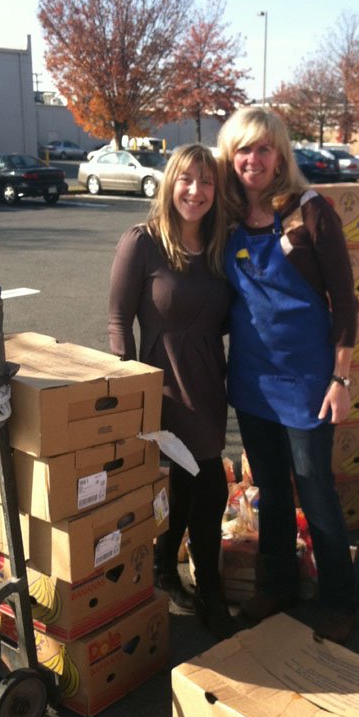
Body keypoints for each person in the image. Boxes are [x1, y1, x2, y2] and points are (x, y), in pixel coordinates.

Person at [218, 106, 359, 643]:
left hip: (308, 381)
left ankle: (340, 597)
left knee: (315, 487)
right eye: (242, 150)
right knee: (271, 488)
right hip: (253, 379)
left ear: (280, 155)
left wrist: (340, 380)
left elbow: (345, 303)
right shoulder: (226, 220)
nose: (252, 160)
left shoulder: (311, 211)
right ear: (231, 158)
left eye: (263, 149)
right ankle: (277, 585)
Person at [108, 143, 236, 640]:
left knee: (187, 486)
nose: (196, 191)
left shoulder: (222, 245)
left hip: (208, 386)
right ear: (170, 183)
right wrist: (125, 382)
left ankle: (164, 567)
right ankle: (210, 590)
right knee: (210, 486)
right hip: (161, 388)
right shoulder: (142, 242)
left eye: (206, 182)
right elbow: (119, 320)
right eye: (187, 179)